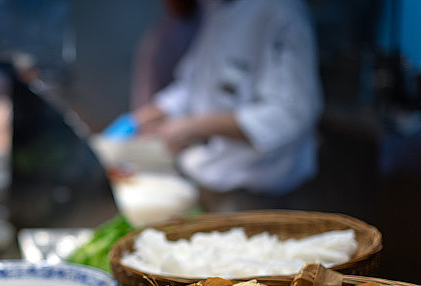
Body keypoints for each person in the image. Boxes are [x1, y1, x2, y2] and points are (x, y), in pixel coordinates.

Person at [105, 0, 324, 212]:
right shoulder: (215, 10)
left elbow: (289, 113)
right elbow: (193, 85)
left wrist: (191, 127)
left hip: (258, 195)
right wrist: (138, 120)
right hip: (208, 180)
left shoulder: (280, 11)